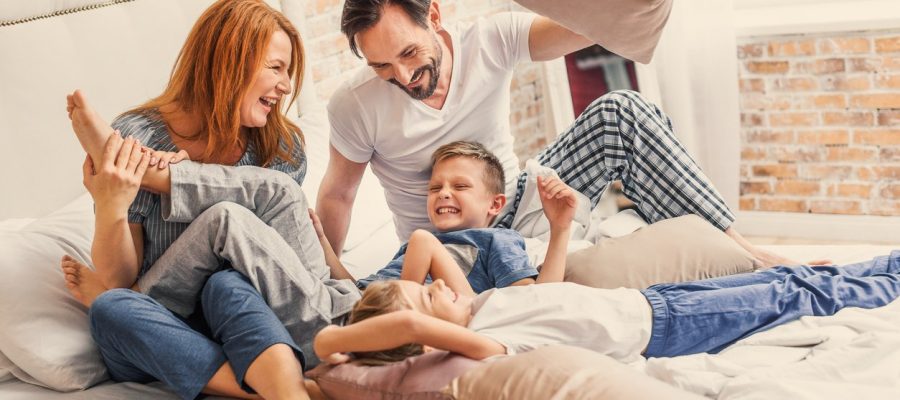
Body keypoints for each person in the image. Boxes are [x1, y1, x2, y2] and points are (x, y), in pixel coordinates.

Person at [316, 0, 799, 268]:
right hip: (448, 244)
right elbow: (339, 193)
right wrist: (328, 272)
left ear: (435, 17)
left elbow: (592, 26)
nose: (401, 75)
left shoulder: (489, 39)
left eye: (408, 53)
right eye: (381, 65)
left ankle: (744, 251)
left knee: (621, 112)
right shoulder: (355, 104)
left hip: (517, 201)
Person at [60, 1, 353, 398]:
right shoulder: (138, 137)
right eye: (276, 67)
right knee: (114, 308)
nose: (287, 86)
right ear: (230, 59)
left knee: (226, 282)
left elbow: (283, 273)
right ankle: (272, 385)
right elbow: (118, 281)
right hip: (163, 324)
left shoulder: (281, 147)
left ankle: (284, 381)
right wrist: (112, 202)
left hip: (249, 317)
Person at [314, 243, 900, 366]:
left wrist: (398, 295)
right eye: (427, 293)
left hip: (653, 300)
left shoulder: (475, 302)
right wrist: (332, 344)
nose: (436, 285)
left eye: (427, 285)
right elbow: (416, 321)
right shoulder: (488, 345)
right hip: (668, 329)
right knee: (798, 295)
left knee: (797, 275)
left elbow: (422, 245)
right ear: (420, 340)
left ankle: (886, 263)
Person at [356, 140, 577, 293]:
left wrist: (560, 229)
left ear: (495, 204)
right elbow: (360, 287)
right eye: (434, 188)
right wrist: (324, 243)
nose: (443, 193)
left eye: (460, 186)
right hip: (356, 298)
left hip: (389, 310)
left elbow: (531, 299)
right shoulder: (411, 248)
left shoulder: (496, 240)